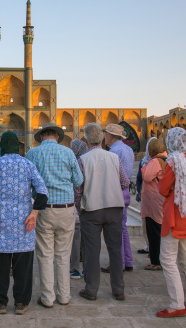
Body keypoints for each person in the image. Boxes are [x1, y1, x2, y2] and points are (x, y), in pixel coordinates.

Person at [0, 131, 48, 315]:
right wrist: (34, 213)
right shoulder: (28, 164)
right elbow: (42, 191)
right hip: (24, 223)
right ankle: (21, 303)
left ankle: (0, 302)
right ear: (17, 145)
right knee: (22, 266)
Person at [25, 123, 83, 307]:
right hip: (66, 208)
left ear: (41, 137)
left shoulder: (32, 154)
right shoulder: (68, 153)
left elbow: (27, 182)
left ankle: (47, 298)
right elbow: (79, 180)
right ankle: (64, 296)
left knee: (45, 254)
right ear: (57, 137)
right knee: (63, 255)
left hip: (43, 209)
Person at [74, 123, 129, 301]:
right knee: (115, 249)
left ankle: (91, 289)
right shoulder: (113, 157)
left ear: (87, 139)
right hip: (114, 208)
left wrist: (79, 208)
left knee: (91, 251)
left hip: (92, 210)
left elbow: (78, 189)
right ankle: (118, 289)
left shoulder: (83, 159)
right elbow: (125, 183)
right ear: (102, 138)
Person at [157, 127, 186, 318]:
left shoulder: (174, 161)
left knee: (167, 259)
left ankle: (177, 304)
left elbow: (163, 188)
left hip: (174, 216)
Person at [102, 124, 134, 272]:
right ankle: (128, 261)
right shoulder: (128, 149)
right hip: (126, 191)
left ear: (111, 136)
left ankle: (118, 264)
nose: (104, 137)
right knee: (122, 227)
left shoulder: (114, 151)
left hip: (116, 192)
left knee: (115, 230)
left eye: (106, 134)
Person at [141, 139, 167, 270]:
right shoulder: (167, 159)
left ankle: (155, 261)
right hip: (162, 199)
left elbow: (146, 176)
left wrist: (145, 166)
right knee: (161, 230)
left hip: (154, 200)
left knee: (154, 231)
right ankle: (162, 259)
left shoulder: (156, 161)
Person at [70, 139, 88, 279]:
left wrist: (76, 206)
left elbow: (77, 187)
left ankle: (76, 269)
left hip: (79, 206)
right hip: (92, 206)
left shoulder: (78, 162)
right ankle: (88, 268)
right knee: (87, 238)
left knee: (76, 237)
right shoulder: (90, 160)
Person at [135, 137, 156, 255]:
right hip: (145, 196)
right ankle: (148, 246)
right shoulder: (144, 161)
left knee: (156, 224)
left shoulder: (162, 161)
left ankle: (156, 249)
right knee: (146, 223)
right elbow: (139, 178)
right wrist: (139, 192)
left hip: (156, 197)